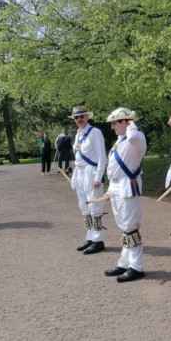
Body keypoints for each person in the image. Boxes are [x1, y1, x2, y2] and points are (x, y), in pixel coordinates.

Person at [103, 108, 147, 283]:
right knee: (124, 227)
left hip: (127, 186)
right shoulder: (119, 141)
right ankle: (124, 262)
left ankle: (137, 267)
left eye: (114, 123)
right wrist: (110, 188)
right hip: (117, 186)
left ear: (125, 122)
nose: (112, 127)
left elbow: (134, 138)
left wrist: (131, 124)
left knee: (131, 226)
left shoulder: (136, 137)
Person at [69, 106, 108, 254]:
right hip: (80, 173)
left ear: (87, 117)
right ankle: (90, 237)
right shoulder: (78, 134)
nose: (79, 120)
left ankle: (98, 240)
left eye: (82, 117)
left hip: (91, 173)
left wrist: (98, 176)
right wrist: (74, 179)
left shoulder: (95, 132)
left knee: (95, 206)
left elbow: (101, 157)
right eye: (76, 118)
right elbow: (77, 160)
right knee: (84, 207)